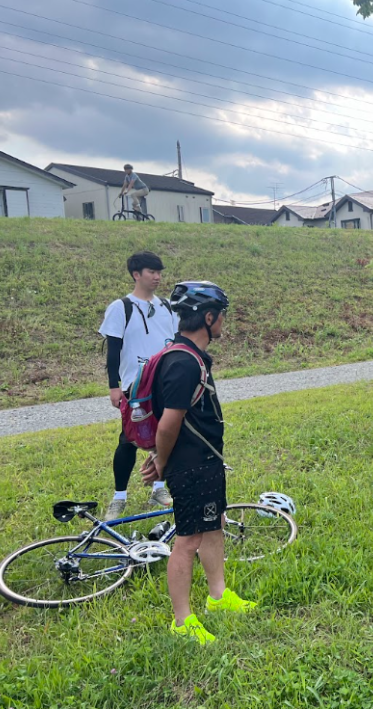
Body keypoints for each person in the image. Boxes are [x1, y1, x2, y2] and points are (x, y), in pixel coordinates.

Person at [139, 281, 256, 645]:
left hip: (205, 461)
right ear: (208, 318)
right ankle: (182, 619)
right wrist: (161, 460)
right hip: (189, 466)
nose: (224, 322)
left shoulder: (189, 356)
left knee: (214, 525)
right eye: (221, 316)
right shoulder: (183, 363)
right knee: (187, 540)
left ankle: (218, 596)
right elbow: (169, 423)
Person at [99, 251, 179, 520]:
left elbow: (177, 343)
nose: (157, 277)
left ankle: (159, 488)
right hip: (135, 385)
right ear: (136, 274)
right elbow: (113, 350)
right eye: (151, 272)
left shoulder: (167, 306)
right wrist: (114, 386)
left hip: (166, 381)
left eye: (159, 272)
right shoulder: (121, 307)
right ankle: (119, 497)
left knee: (165, 436)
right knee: (129, 439)